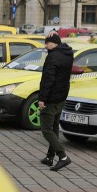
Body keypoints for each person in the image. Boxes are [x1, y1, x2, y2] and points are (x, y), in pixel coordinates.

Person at [38, 33, 73, 171]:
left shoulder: (52, 57)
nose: (46, 46)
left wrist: (42, 99)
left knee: (46, 129)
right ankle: (49, 157)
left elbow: (48, 79)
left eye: (48, 43)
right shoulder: (68, 54)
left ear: (54, 43)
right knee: (54, 127)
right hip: (61, 97)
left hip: (51, 98)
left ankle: (62, 156)